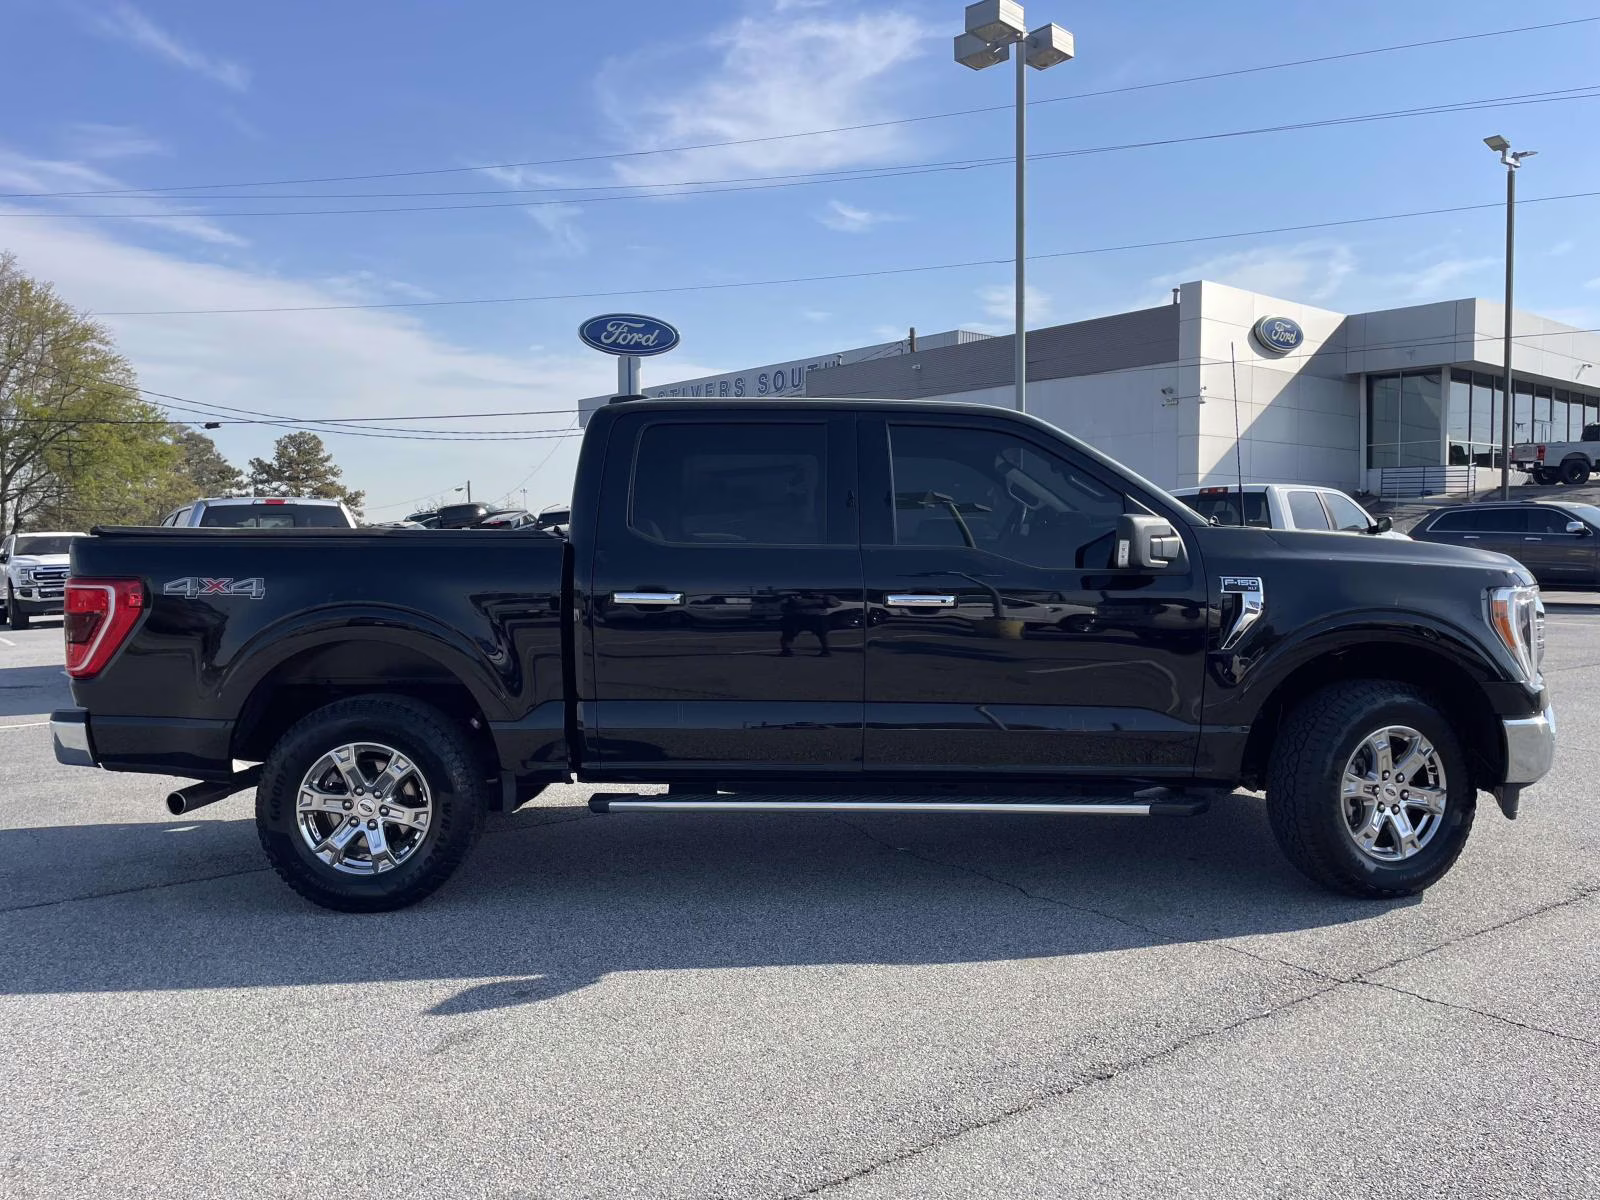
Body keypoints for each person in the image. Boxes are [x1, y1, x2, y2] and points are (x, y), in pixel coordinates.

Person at [778, 591, 834, 656]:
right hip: (798, 616)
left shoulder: (823, 596)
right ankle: (786, 650)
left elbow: (834, 603)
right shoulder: (793, 595)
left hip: (815, 616)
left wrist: (823, 598)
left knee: (822, 634)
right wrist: (820, 601)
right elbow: (786, 605)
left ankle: (826, 650)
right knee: (788, 634)